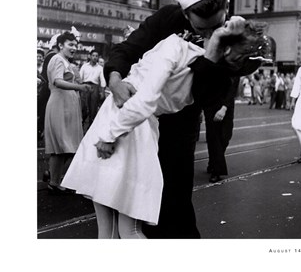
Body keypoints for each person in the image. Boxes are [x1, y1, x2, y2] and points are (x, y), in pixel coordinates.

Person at [61, 16, 270, 238]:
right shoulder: (208, 74)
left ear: (226, 48)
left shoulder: (178, 48)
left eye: (224, 27)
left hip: (124, 124)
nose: (221, 24)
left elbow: (144, 100)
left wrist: (110, 134)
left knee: (119, 231)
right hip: (138, 129)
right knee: (121, 229)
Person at [44, 31, 91, 192]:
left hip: (66, 105)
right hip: (60, 105)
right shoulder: (57, 59)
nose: (74, 48)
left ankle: (54, 178)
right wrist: (79, 87)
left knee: (66, 146)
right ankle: (54, 181)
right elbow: (58, 81)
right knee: (62, 145)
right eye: (70, 44)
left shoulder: (65, 62)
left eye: (75, 45)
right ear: (60, 45)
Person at [204, 76, 240, 183]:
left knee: (225, 136)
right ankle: (217, 170)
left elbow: (233, 88)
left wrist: (224, 108)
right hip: (211, 104)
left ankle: (213, 162)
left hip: (227, 106)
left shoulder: (233, 65)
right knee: (214, 137)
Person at [37, 35, 60, 141]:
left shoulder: (50, 54)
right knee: (43, 113)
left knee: (42, 112)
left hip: (46, 87)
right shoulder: (54, 56)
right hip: (48, 88)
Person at [79, 50, 106, 128]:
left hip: (95, 87)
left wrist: (102, 92)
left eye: (96, 56)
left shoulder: (100, 68)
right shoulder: (84, 66)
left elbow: (102, 80)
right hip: (85, 86)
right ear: (90, 56)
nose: (95, 57)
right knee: (83, 107)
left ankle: (90, 128)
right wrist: (80, 88)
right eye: (93, 55)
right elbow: (80, 78)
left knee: (93, 108)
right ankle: (81, 125)